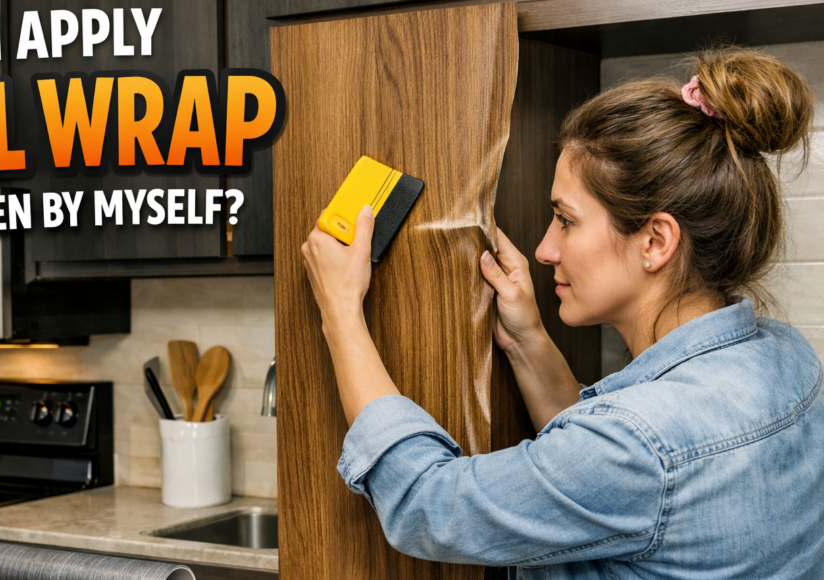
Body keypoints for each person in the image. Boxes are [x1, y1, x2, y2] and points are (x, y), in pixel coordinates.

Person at [300, 47, 824, 578]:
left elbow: (426, 504)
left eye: (565, 220)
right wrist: (527, 339)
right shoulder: (787, 358)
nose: (546, 249)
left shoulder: (638, 445)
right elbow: (603, 482)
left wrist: (340, 311)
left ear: (656, 240)